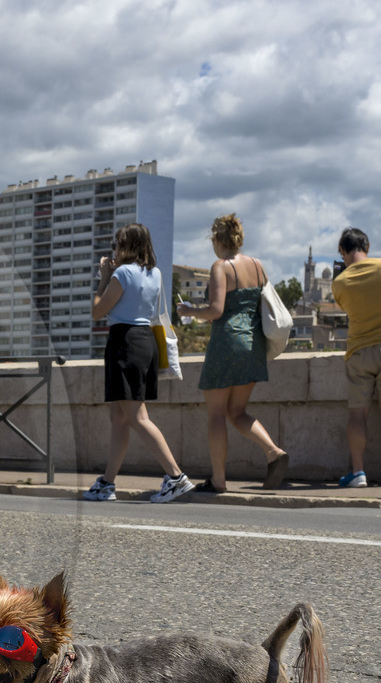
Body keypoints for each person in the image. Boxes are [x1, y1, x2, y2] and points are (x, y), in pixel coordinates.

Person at [82, 223, 194, 504]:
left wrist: (104, 277)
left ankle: (176, 476)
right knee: (119, 418)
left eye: (118, 245)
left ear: (129, 246)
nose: (114, 250)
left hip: (125, 341)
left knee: (137, 417)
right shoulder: (154, 273)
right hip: (146, 341)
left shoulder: (121, 273)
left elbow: (97, 311)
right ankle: (107, 483)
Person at [179, 214, 289, 492]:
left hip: (227, 342)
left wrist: (190, 311)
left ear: (217, 240)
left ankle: (218, 480)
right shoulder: (257, 265)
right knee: (237, 412)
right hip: (253, 345)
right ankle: (273, 451)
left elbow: (216, 311)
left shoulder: (220, 266)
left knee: (217, 414)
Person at [330, 227, 381, 487]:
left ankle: (358, 473)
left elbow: (346, 306)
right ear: (368, 246)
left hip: (360, 351)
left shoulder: (340, 283)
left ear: (342, 252)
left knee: (357, 414)